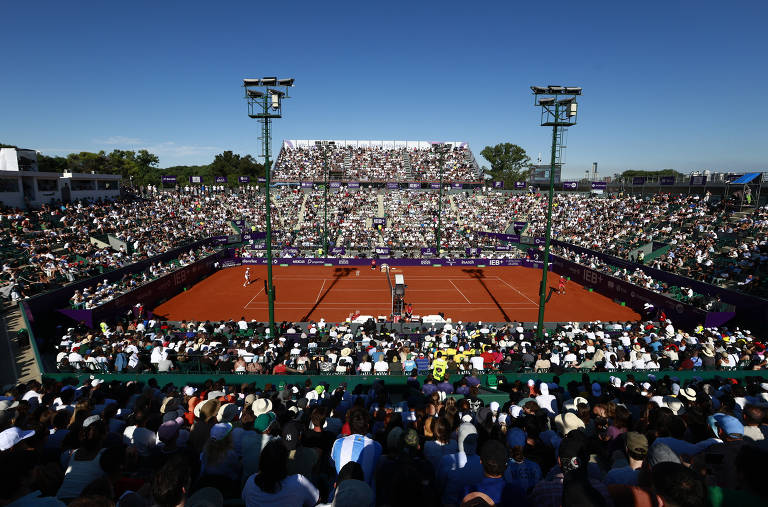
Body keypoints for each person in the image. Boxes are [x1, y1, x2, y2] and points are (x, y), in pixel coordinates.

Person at [241, 439, 319, 507]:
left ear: (262, 461)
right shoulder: (299, 482)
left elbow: (244, 499)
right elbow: (316, 500)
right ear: (285, 463)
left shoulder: (251, 482)